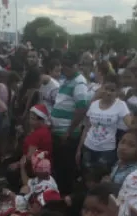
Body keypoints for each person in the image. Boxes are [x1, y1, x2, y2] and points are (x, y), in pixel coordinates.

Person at [51, 52, 92, 196]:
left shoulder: (79, 82)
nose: (64, 69)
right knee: (58, 168)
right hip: (58, 131)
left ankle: (64, 198)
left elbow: (81, 108)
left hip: (67, 135)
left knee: (65, 171)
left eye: (68, 66)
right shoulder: (66, 80)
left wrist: (69, 131)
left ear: (76, 66)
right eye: (63, 66)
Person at [77, 73, 130, 171]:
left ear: (117, 91)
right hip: (88, 146)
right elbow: (86, 128)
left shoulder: (121, 105)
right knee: (87, 176)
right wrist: (79, 149)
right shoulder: (94, 104)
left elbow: (130, 125)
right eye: (106, 89)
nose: (108, 93)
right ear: (102, 88)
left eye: (112, 90)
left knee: (101, 179)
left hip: (107, 150)